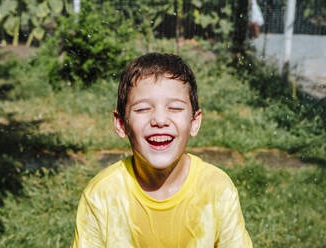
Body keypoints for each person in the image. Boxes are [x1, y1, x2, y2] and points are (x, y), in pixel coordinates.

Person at [71, 53, 252, 247]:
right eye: (142, 109)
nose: (160, 120)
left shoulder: (216, 189)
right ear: (121, 124)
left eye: (174, 108)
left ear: (194, 122)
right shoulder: (102, 194)